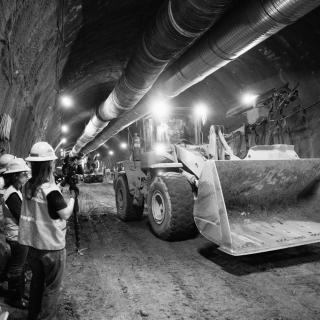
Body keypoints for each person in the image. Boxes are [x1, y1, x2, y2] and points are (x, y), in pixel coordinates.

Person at [18, 142, 78, 320]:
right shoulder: (50, 191)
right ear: (49, 164)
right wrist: (73, 199)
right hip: (52, 248)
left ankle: (33, 315)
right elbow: (65, 213)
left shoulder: (28, 186)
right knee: (52, 288)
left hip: (33, 246)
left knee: (37, 283)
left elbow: (42, 206)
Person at [2, 158, 30, 309]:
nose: (26, 176)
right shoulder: (12, 194)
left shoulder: (16, 191)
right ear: (15, 176)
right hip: (17, 236)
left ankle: (20, 293)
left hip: (19, 235)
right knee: (17, 267)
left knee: (21, 266)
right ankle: (14, 298)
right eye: (23, 174)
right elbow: (21, 216)